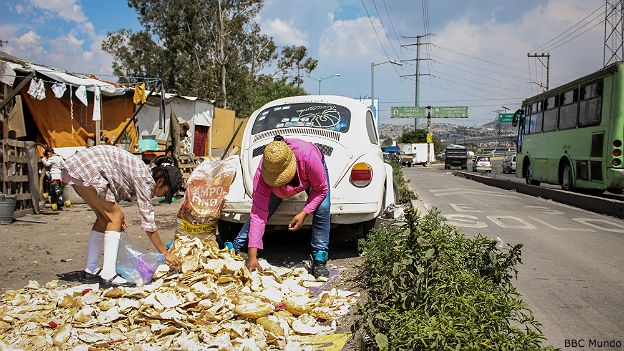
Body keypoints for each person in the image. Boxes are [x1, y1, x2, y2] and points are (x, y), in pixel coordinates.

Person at [60, 145, 184, 287]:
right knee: (116, 216)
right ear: (160, 181)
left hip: (80, 167)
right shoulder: (145, 179)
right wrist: (164, 252)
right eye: (165, 192)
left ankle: (91, 270)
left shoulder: (143, 174)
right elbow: (148, 221)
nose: (162, 195)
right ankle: (108, 276)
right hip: (87, 169)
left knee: (104, 219)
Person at [226, 135, 331, 278]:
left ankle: (319, 257)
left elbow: (321, 189)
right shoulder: (264, 172)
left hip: (309, 170)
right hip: (279, 179)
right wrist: (252, 256)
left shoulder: (309, 157)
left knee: (323, 207)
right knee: (264, 207)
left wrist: (304, 213)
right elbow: (258, 214)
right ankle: (238, 246)